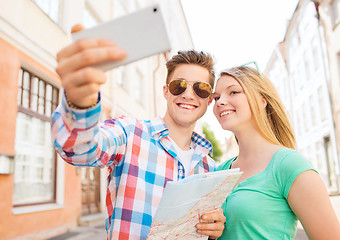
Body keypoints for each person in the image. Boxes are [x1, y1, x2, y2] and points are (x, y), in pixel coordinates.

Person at [51, 25, 225, 239]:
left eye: (201, 88)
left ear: (208, 100)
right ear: (165, 91)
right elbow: (79, 149)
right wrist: (79, 104)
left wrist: (214, 229)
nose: (189, 95)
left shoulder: (210, 168)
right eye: (179, 86)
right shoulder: (130, 133)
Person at [212, 63, 340, 239]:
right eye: (216, 98)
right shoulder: (218, 172)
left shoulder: (289, 165)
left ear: (262, 100)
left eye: (233, 92)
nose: (220, 102)